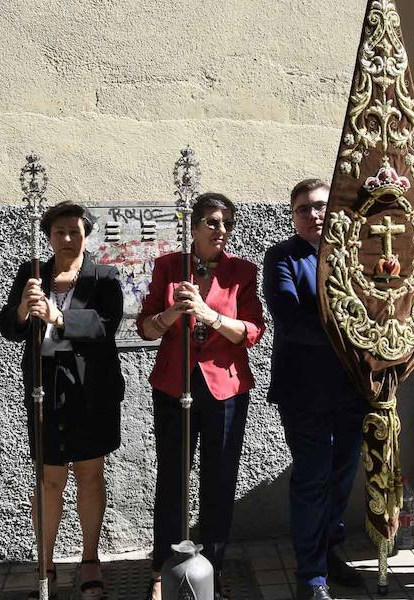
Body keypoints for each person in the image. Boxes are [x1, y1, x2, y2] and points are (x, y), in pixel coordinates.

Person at [264, 179, 414, 600]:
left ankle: (330, 553)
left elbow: (395, 296)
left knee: (340, 478)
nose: (314, 215)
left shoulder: (360, 251)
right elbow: (292, 320)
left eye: (320, 206)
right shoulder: (282, 257)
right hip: (306, 392)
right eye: (304, 209)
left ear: (334, 209)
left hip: (357, 389)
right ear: (293, 216)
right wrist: (359, 333)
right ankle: (310, 576)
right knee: (312, 479)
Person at [137, 192, 265, 600]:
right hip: (175, 385)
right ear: (192, 227)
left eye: (227, 223)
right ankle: (165, 566)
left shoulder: (242, 272)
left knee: (219, 477)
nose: (221, 231)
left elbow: (252, 332)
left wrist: (210, 316)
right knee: (173, 476)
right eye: (211, 222)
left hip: (224, 387)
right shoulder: (167, 267)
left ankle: (213, 565)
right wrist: (175, 311)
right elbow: (145, 328)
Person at [0, 200, 124, 600]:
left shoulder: (105, 276)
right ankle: (45, 564)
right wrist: (21, 309)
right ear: (47, 237)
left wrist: (58, 318)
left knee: (89, 474)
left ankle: (89, 560)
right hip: (44, 390)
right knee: (49, 479)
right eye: (58, 233)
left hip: (91, 391)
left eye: (75, 232)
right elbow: (9, 328)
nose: (67, 239)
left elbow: (105, 327)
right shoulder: (31, 273)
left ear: (87, 234)